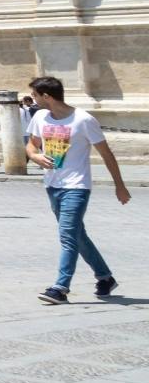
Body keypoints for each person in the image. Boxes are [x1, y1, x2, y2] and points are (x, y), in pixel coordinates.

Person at [26, 75, 129, 304]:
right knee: (77, 235)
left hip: (77, 186)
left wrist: (120, 186)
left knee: (67, 237)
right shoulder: (41, 116)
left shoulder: (83, 120)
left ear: (46, 96)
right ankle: (105, 277)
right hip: (52, 185)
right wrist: (35, 156)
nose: (32, 100)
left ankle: (60, 288)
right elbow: (32, 144)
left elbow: (106, 154)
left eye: (34, 95)